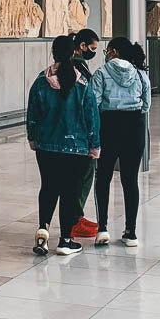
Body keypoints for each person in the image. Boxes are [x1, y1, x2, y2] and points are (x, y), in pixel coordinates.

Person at [27, 35, 100, 258]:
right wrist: (94, 145)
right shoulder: (82, 83)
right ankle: (66, 240)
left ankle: (43, 230)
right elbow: (91, 117)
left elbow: (32, 115)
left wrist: (34, 138)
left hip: (46, 147)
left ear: (53, 53)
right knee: (70, 192)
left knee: (48, 188)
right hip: (76, 148)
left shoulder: (41, 81)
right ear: (73, 53)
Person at [90, 37, 150, 248]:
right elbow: (146, 104)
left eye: (107, 50)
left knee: (103, 176)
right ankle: (130, 231)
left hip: (108, 126)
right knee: (130, 179)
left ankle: (103, 228)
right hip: (133, 127)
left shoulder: (101, 73)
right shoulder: (140, 74)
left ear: (113, 52)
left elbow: (94, 103)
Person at [69, 28, 101, 240]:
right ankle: (74, 218)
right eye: (92, 48)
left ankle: (75, 216)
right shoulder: (76, 67)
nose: (93, 52)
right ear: (81, 45)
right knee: (82, 175)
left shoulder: (75, 65)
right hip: (78, 130)